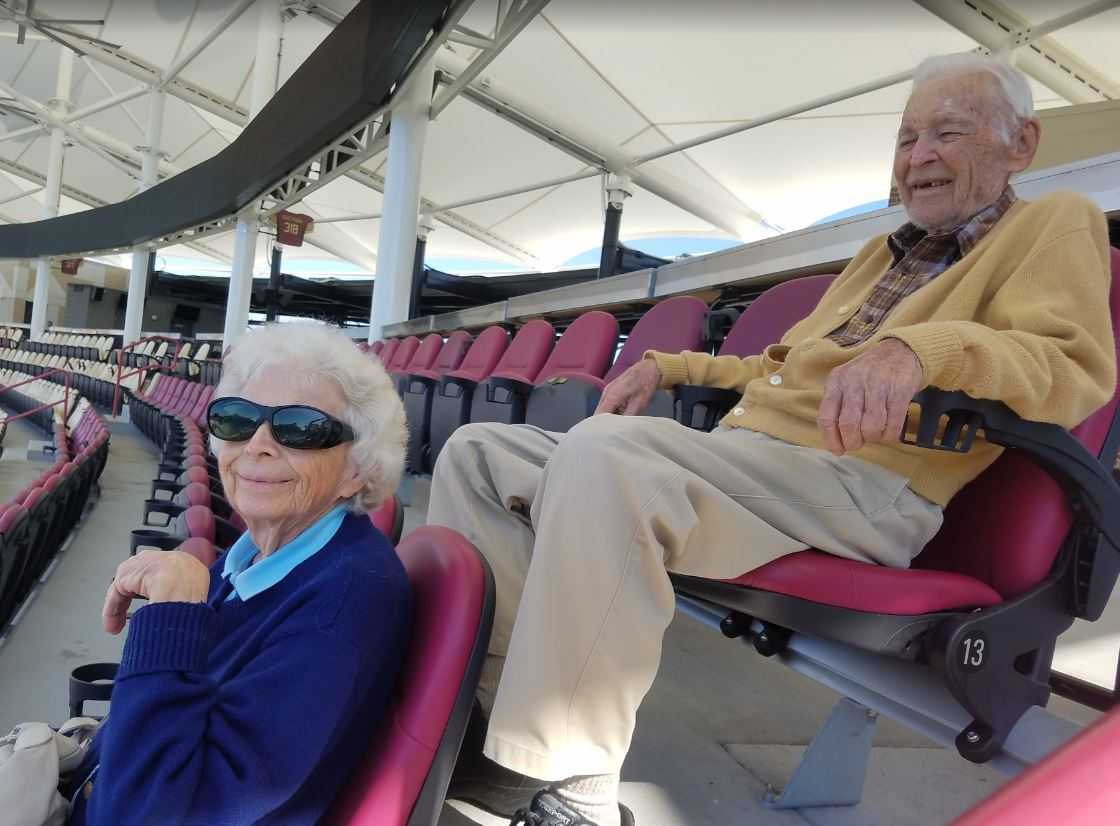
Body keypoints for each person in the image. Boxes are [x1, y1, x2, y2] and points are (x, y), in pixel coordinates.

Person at [429, 52, 1117, 826]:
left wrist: (924, 350)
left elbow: (1072, 369)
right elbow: (781, 367)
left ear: (1021, 144)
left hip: (864, 487)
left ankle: (572, 782)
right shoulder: (880, 254)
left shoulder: (1053, 223)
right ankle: (489, 721)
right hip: (756, 464)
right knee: (480, 454)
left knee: (605, 455)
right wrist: (667, 365)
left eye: (948, 133)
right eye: (906, 138)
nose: (919, 156)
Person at [69, 323, 410, 825]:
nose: (258, 444)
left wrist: (173, 617)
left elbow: (143, 817)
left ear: (356, 469)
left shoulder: (344, 603)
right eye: (237, 419)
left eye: (300, 428)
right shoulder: (255, 557)